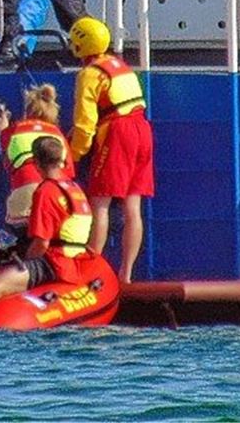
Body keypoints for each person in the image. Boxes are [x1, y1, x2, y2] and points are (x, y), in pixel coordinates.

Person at [67, 16, 154, 283]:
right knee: (132, 206)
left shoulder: (90, 74)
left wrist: (73, 156)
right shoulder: (120, 66)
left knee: (100, 203)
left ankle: (89, 272)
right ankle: (125, 276)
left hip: (117, 133)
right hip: (142, 130)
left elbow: (84, 125)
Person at [0, 135, 96, 306]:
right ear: (61, 158)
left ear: (35, 161)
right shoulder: (74, 188)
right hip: (76, 260)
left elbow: (41, 244)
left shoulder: (46, 191)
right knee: (4, 270)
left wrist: (24, 263)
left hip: (55, 263)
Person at [0, 84, 76, 238]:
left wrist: (2, 129)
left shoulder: (14, 130)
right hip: (57, 196)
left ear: (27, 111)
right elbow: (69, 173)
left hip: (25, 194)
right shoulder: (58, 135)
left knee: (18, 241)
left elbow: (6, 155)